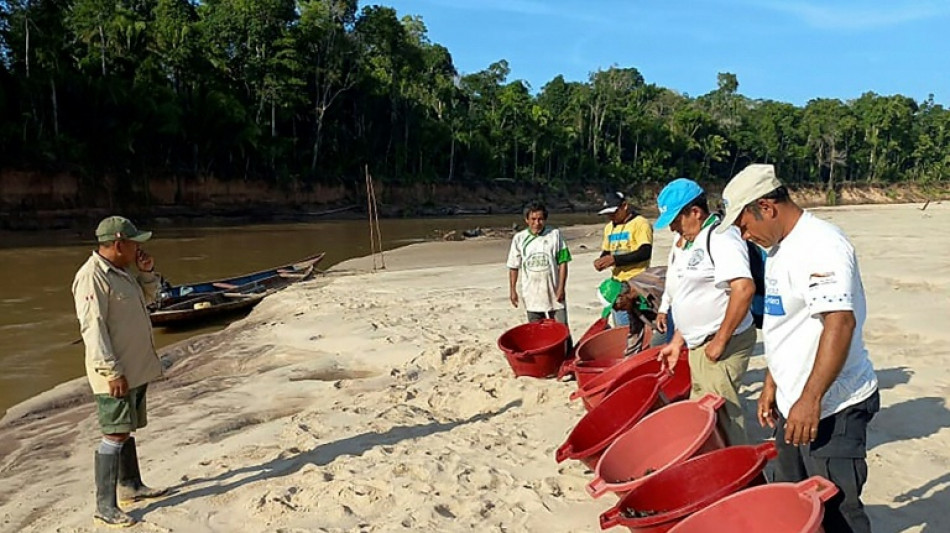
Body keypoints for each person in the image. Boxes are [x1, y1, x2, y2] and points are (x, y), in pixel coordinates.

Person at [719, 164, 879, 533]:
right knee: (792, 499)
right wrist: (772, 384)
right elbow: (786, 324)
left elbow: (839, 323)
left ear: (766, 207)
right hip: (795, 404)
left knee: (837, 510)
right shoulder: (778, 249)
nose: (743, 235)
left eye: (743, 224)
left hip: (833, 406)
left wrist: (810, 399)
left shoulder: (820, 244)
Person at [72, 216, 169, 527]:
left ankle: (131, 485)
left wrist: (147, 273)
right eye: (134, 242)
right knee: (114, 432)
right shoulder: (91, 277)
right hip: (115, 371)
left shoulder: (122, 272)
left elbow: (148, 301)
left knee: (125, 429)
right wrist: (111, 371)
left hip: (134, 367)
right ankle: (105, 506)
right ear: (118, 243)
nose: (138, 247)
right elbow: (93, 329)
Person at [655, 179, 757, 447]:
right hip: (699, 343)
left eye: (676, 220)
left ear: (695, 212)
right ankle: (712, 456)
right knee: (702, 409)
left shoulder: (721, 238)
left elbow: (743, 289)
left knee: (724, 415)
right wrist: (678, 340)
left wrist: (720, 341)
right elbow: (691, 295)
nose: (673, 228)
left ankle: (738, 464)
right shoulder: (689, 241)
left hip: (722, 342)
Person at [593, 192, 654, 328]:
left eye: (613, 213)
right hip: (617, 283)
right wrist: (601, 260)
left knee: (635, 325)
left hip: (636, 282)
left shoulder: (641, 223)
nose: (611, 217)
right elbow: (607, 250)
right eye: (608, 214)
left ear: (624, 206)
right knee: (621, 325)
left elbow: (644, 252)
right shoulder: (609, 227)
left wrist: (615, 260)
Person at [507, 201, 572, 325]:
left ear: (545, 219)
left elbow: (563, 262)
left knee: (561, 328)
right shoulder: (519, 238)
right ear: (526, 220)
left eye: (540, 219)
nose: (537, 223)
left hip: (553, 292)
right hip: (531, 292)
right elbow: (513, 266)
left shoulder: (555, 235)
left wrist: (561, 288)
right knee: (537, 329)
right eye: (533, 219)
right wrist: (512, 290)